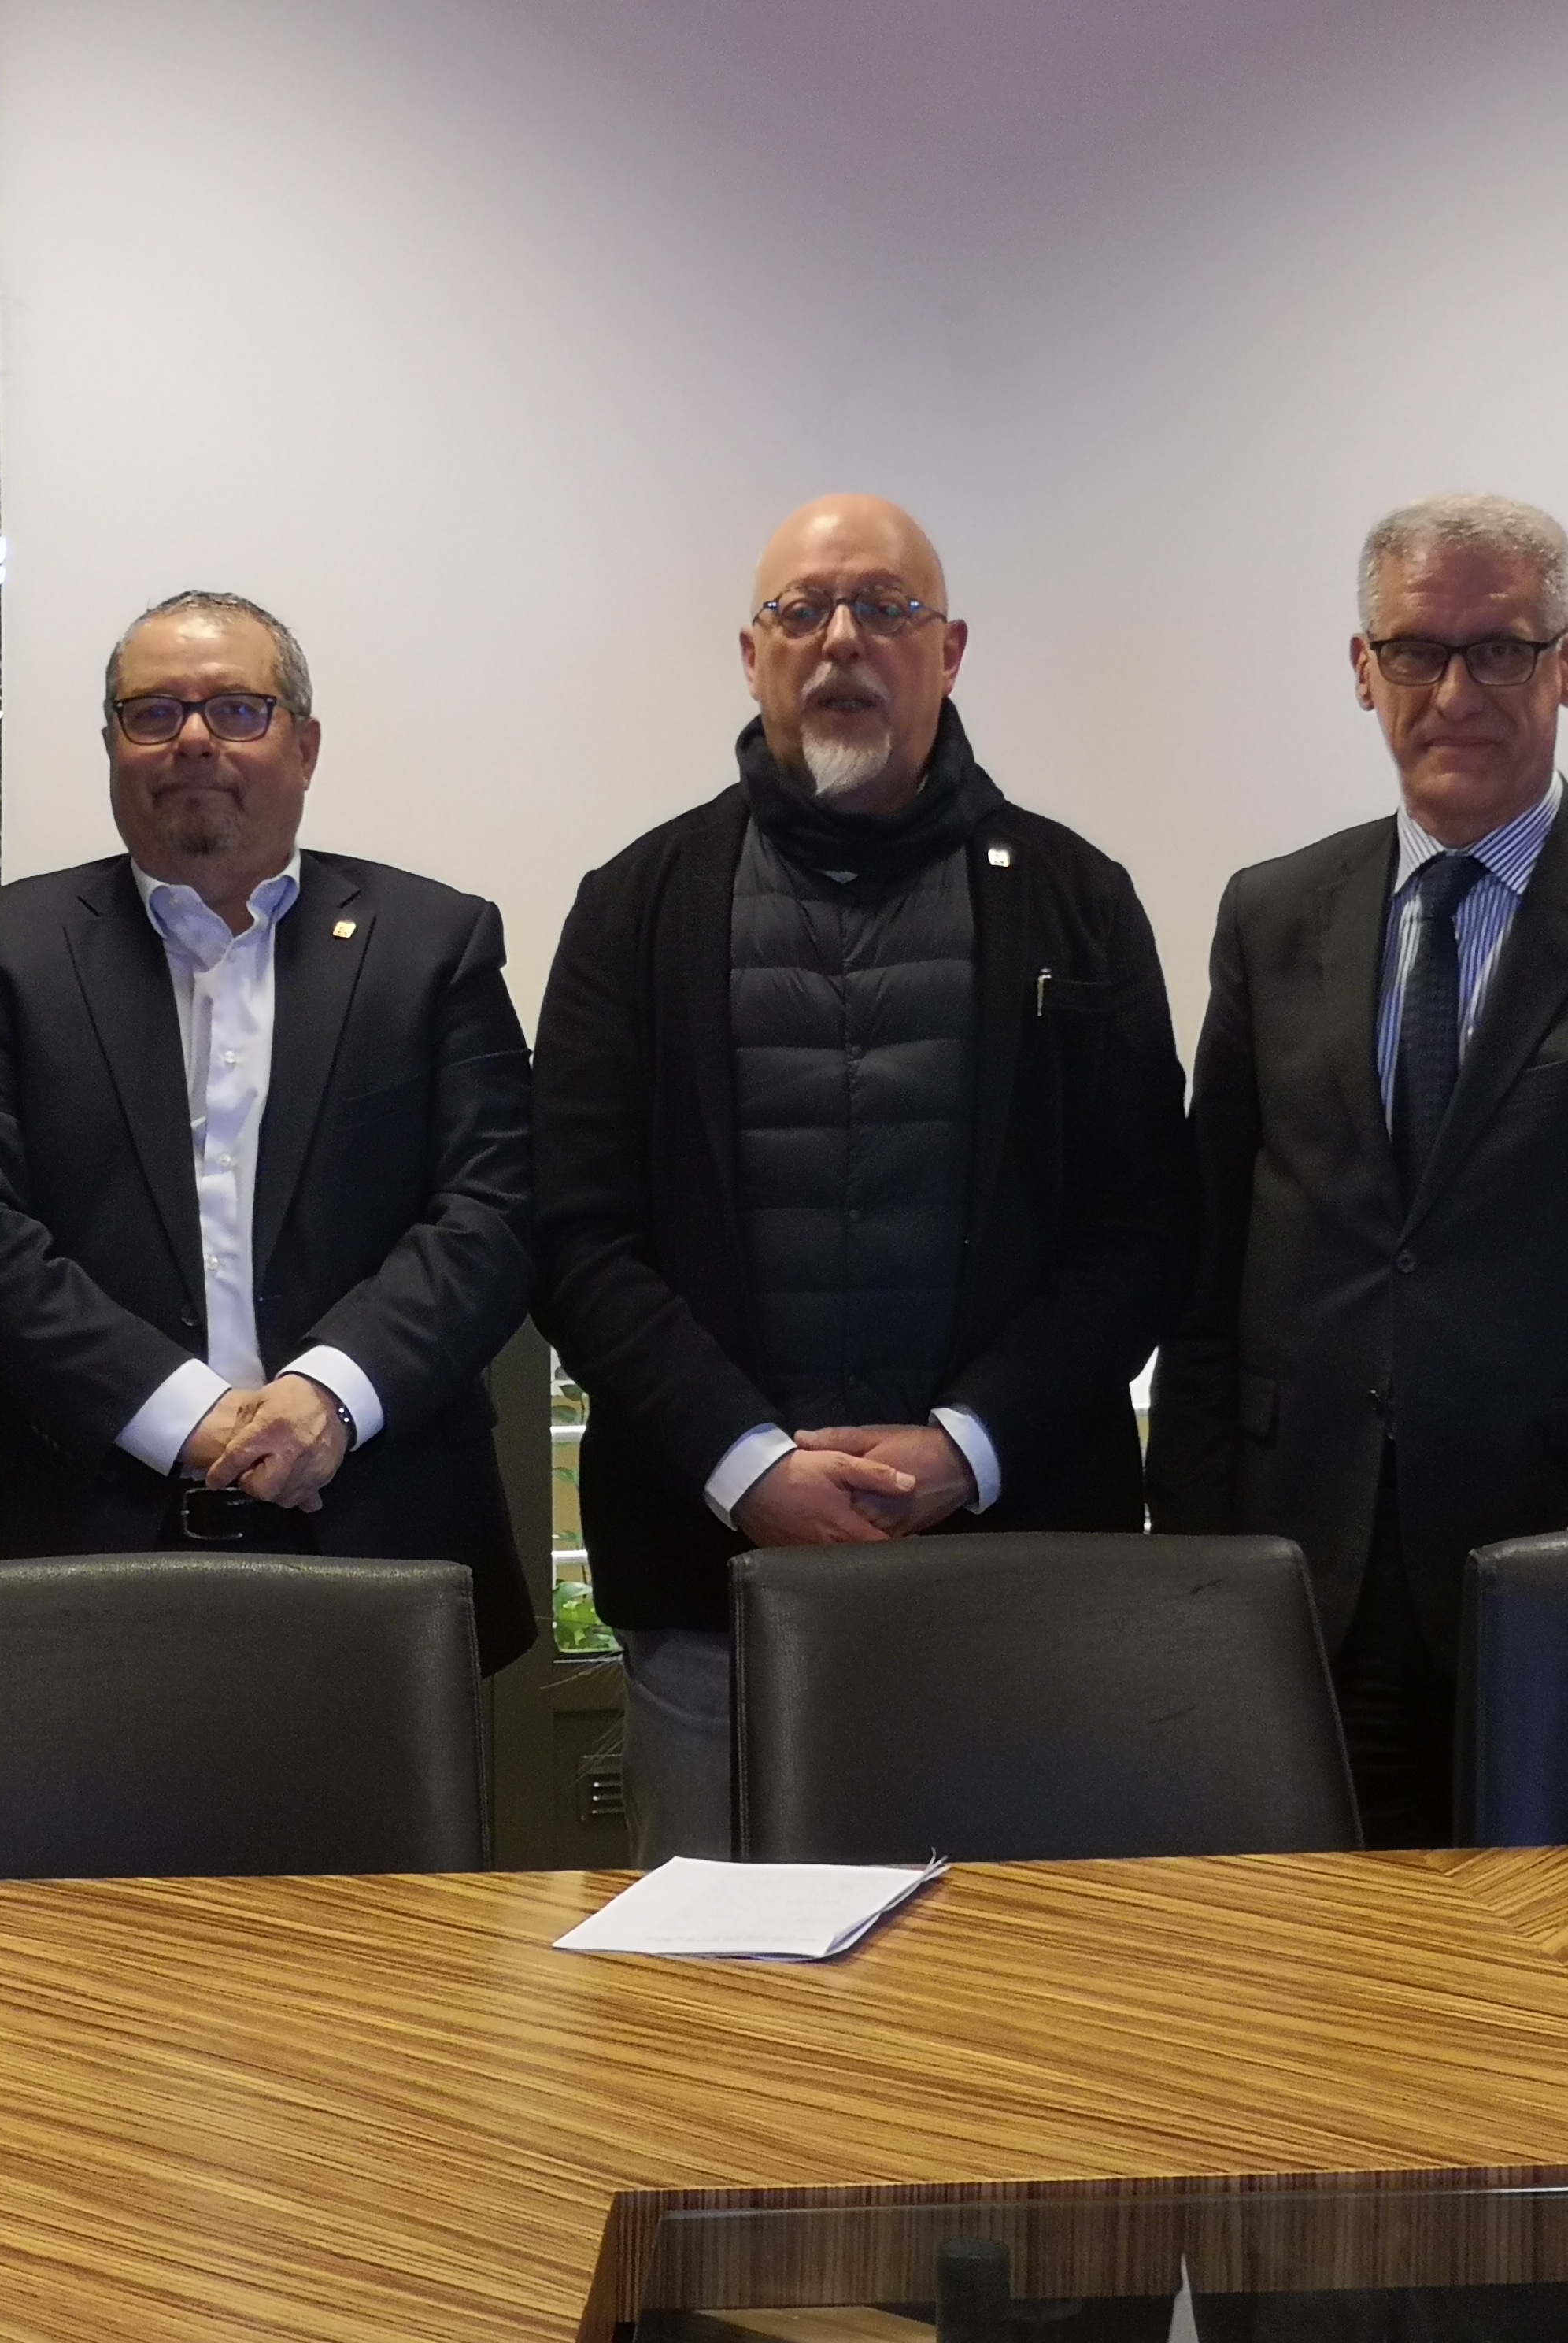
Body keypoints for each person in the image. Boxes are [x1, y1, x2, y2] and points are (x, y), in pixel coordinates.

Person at [1147, 492, 1568, 1848]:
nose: (1453, 691)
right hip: (1302, 1573)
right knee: (1315, 1952)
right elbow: (1209, 1262)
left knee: (1567, 1951)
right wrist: (1201, 1552)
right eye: (1414, 650)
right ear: (1363, 669)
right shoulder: (1270, 914)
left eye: (1500, 650)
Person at [534, 494, 1193, 1860]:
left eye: (886, 608)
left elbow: (1141, 1229)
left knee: (1018, 1971)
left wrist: (967, 1449)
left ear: (948, 650)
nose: (842, 639)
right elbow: (576, 1235)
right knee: (719, 1982)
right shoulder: (635, 903)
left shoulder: (1076, 898)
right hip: (710, 1592)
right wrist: (748, 1466)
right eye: (802, 611)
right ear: (752, 653)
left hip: (1014, 1581)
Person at [0, 590, 536, 1668]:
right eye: (153, 713)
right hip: (68, 1543)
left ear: (305, 747)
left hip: (380, 1533)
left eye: (238, 708)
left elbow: (493, 1212)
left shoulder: (434, 945)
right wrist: (183, 1413)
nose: (193, 738)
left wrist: (327, 1397)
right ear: (112, 747)